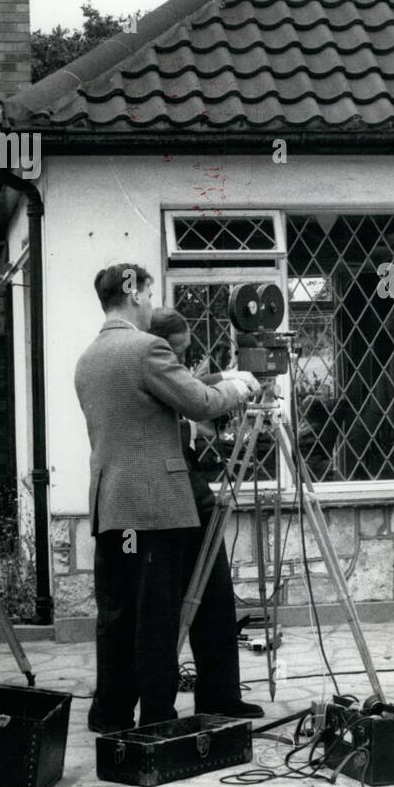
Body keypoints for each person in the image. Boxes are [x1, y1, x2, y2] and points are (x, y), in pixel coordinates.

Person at [74, 263, 259, 733]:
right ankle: (160, 716)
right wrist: (240, 386)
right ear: (133, 294)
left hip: (113, 504)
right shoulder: (146, 348)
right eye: (150, 295)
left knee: (119, 614)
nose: (153, 306)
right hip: (158, 505)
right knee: (159, 615)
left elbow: (139, 420)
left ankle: (110, 712)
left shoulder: (89, 357)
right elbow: (198, 403)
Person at [148, 307, 263, 720]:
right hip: (171, 495)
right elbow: (195, 399)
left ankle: (220, 695)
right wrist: (237, 386)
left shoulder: (164, 368)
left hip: (187, 490)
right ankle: (164, 706)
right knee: (178, 601)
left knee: (215, 596)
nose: (181, 360)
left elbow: (194, 384)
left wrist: (227, 377)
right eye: (177, 353)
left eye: (185, 352)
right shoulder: (150, 365)